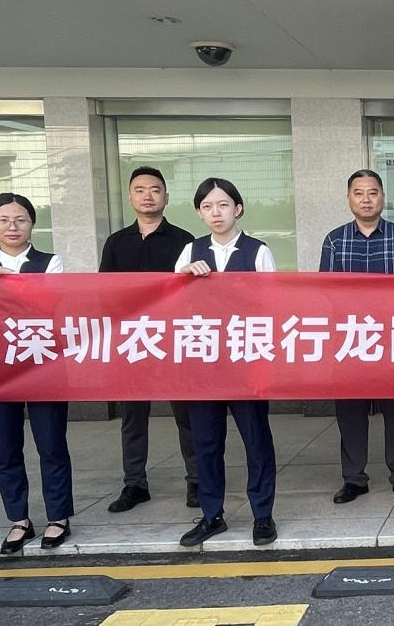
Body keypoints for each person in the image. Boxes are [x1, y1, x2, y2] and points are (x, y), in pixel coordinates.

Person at [175, 178, 278, 547]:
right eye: (207, 206)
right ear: (199, 213)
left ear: (238, 208)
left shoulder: (258, 251)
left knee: (256, 440)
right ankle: (211, 514)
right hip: (203, 364)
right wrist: (183, 277)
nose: (215, 212)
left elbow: (273, 306)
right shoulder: (190, 251)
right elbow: (171, 304)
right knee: (205, 443)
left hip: (246, 362)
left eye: (222, 205)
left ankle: (262, 514)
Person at [0, 193, 73, 553]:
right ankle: (19, 519)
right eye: (3, 220)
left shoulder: (50, 262)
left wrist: (8, 278)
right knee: (5, 448)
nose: (12, 227)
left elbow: (48, 304)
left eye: (20, 219)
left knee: (52, 445)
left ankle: (58, 517)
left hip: (44, 366)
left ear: (32, 224)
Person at [100, 166, 199, 512]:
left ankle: (197, 481)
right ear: (130, 197)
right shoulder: (116, 242)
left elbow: (193, 294)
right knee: (133, 416)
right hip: (132, 340)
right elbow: (104, 292)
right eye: (140, 190)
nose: (148, 196)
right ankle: (135, 484)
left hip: (174, 338)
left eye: (155, 190)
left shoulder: (185, 241)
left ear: (166, 197)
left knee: (186, 414)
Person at [320, 169, 394, 505]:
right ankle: (354, 478)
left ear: (383, 197)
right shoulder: (335, 240)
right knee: (350, 411)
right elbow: (327, 293)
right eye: (359, 193)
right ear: (349, 198)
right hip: (350, 337)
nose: (366, 199)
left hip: (392, 337)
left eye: (373, 192)